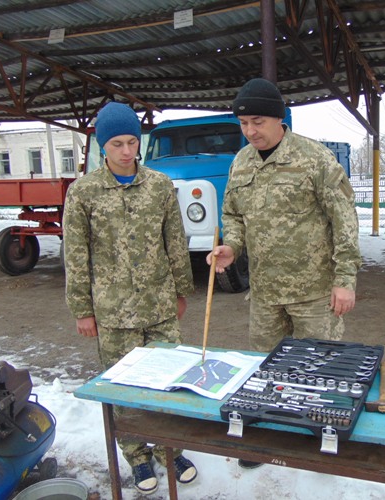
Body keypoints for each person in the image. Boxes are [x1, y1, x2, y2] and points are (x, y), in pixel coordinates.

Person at [207, 78, 361, 468]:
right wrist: (232, 246)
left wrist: (345, 280)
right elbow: (233, 215)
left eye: (257, 122)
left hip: (314, 292)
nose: (250, 131)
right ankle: (268, 439)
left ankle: (322, 441)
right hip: (265, 293)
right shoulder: (241, 162)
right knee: (265, 370)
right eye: (243, 123)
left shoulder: (314, 158)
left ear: (279, 119)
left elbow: (344, 220)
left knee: (320, 370)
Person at [63, 102, 197, 495]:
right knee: (124, 388)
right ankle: (137, 455)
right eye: (117, 144)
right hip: (113, 312)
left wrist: (181, 291)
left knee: (170, 381)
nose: (126, 151)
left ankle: (172, 449)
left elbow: (175, 242)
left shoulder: (159, 185)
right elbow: (75, 255)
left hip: (159, 307)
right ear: (102, 146)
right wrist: (82, 310)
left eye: (132, 142)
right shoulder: (84, 192)